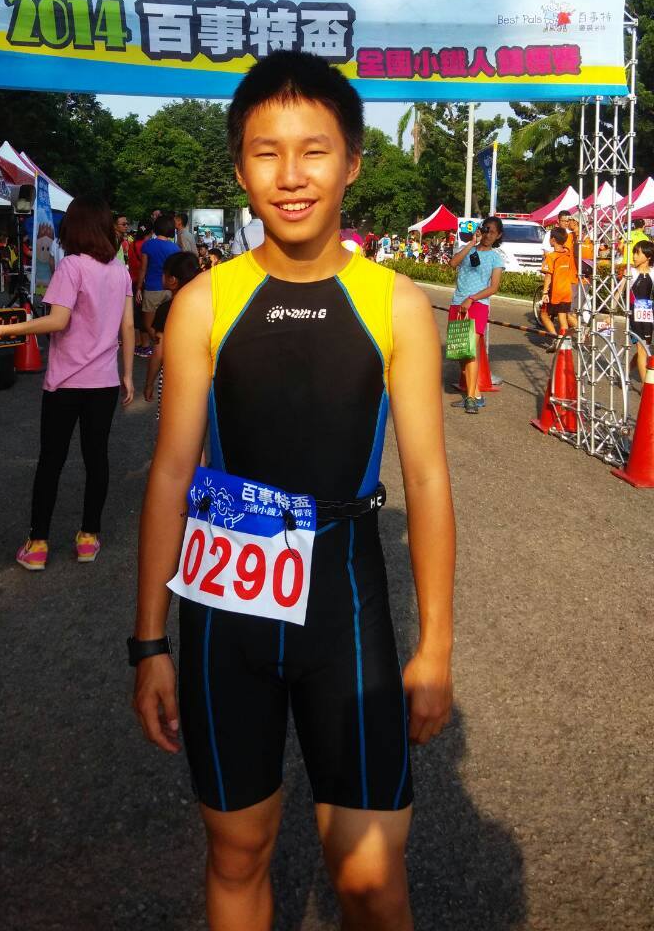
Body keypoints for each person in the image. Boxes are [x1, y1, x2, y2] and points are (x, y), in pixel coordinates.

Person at [132, 49, 455, 931]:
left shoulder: (396, 304)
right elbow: (171, 474)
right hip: (223, 614)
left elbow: (428, 478)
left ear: (352, 163)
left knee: (370, 879)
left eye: (314, 150)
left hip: (345, 602)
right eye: (265, 152)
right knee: (238, 854)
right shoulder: (205, 302)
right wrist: (148, 642)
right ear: (240, 168)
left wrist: (435, 647)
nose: (290, 175)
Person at [0, 196, 134, 569]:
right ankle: (89, 537)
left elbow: (57, 321)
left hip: (65, 383)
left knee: (52, 460)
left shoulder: (71, 266)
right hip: (104, 382)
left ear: (74, 227)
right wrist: (129, 374)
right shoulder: (120, 270)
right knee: (97, 458)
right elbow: (128, 327)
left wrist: (3, 330)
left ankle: (37, 544)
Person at [449, 216, 505, 413]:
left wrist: (471, 299)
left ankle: (471, 399)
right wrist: (471, 243)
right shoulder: (469, 249)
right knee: (461, 352)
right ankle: (476, 395)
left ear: (498, 235)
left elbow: (494, 287)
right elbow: (453, 263)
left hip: (478, 304)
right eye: (486, 229)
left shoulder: (496, 258)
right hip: (458, 303)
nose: (488, 235)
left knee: (470, 350)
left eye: (493, 232)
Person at [143, 252, 201, 409]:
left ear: (172, 280)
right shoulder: (204, 305)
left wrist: (149, 383)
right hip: (201, 376)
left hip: (174, 377)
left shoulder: (168, 308)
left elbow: (159, 352)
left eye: (164, 273)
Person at [136, 215, 180, 347]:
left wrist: (139, 288)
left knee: (148, 324)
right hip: (169, 290)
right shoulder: (175, 248)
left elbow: (143, 269)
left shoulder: (148, 245)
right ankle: (164, 348)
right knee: (166, 323)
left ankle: (158, 346)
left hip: (152, 289)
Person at [540, 226, 574, 351]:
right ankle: (565, 345)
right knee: (562, 317)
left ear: (553, 240)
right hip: (567, 290)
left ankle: (555, 339)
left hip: (555, 291)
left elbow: (548, 276)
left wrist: (544, 292)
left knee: (543, 314)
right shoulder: (568, 254)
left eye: (550, 238)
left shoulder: (551, 256)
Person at [628, 239, 654, 382]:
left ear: (648, 256)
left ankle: (627, 370)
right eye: (634, 253)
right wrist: (610, 314)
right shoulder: (630, 272)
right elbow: (618, 292)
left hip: (648, 314)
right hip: (634, 313)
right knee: (641, 348)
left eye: (638, 253)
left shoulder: (653, 272)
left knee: (645, 347)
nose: (634, 256)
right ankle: (645, 386)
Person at [128, 223, 151, 357]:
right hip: (143, 282)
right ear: (149, 233)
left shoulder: (132, 244)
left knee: (136, 313)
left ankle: (137, 343)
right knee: (144, 312)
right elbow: (145, 266)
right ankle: (145, 345)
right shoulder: (147, 246)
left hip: (133, 280)